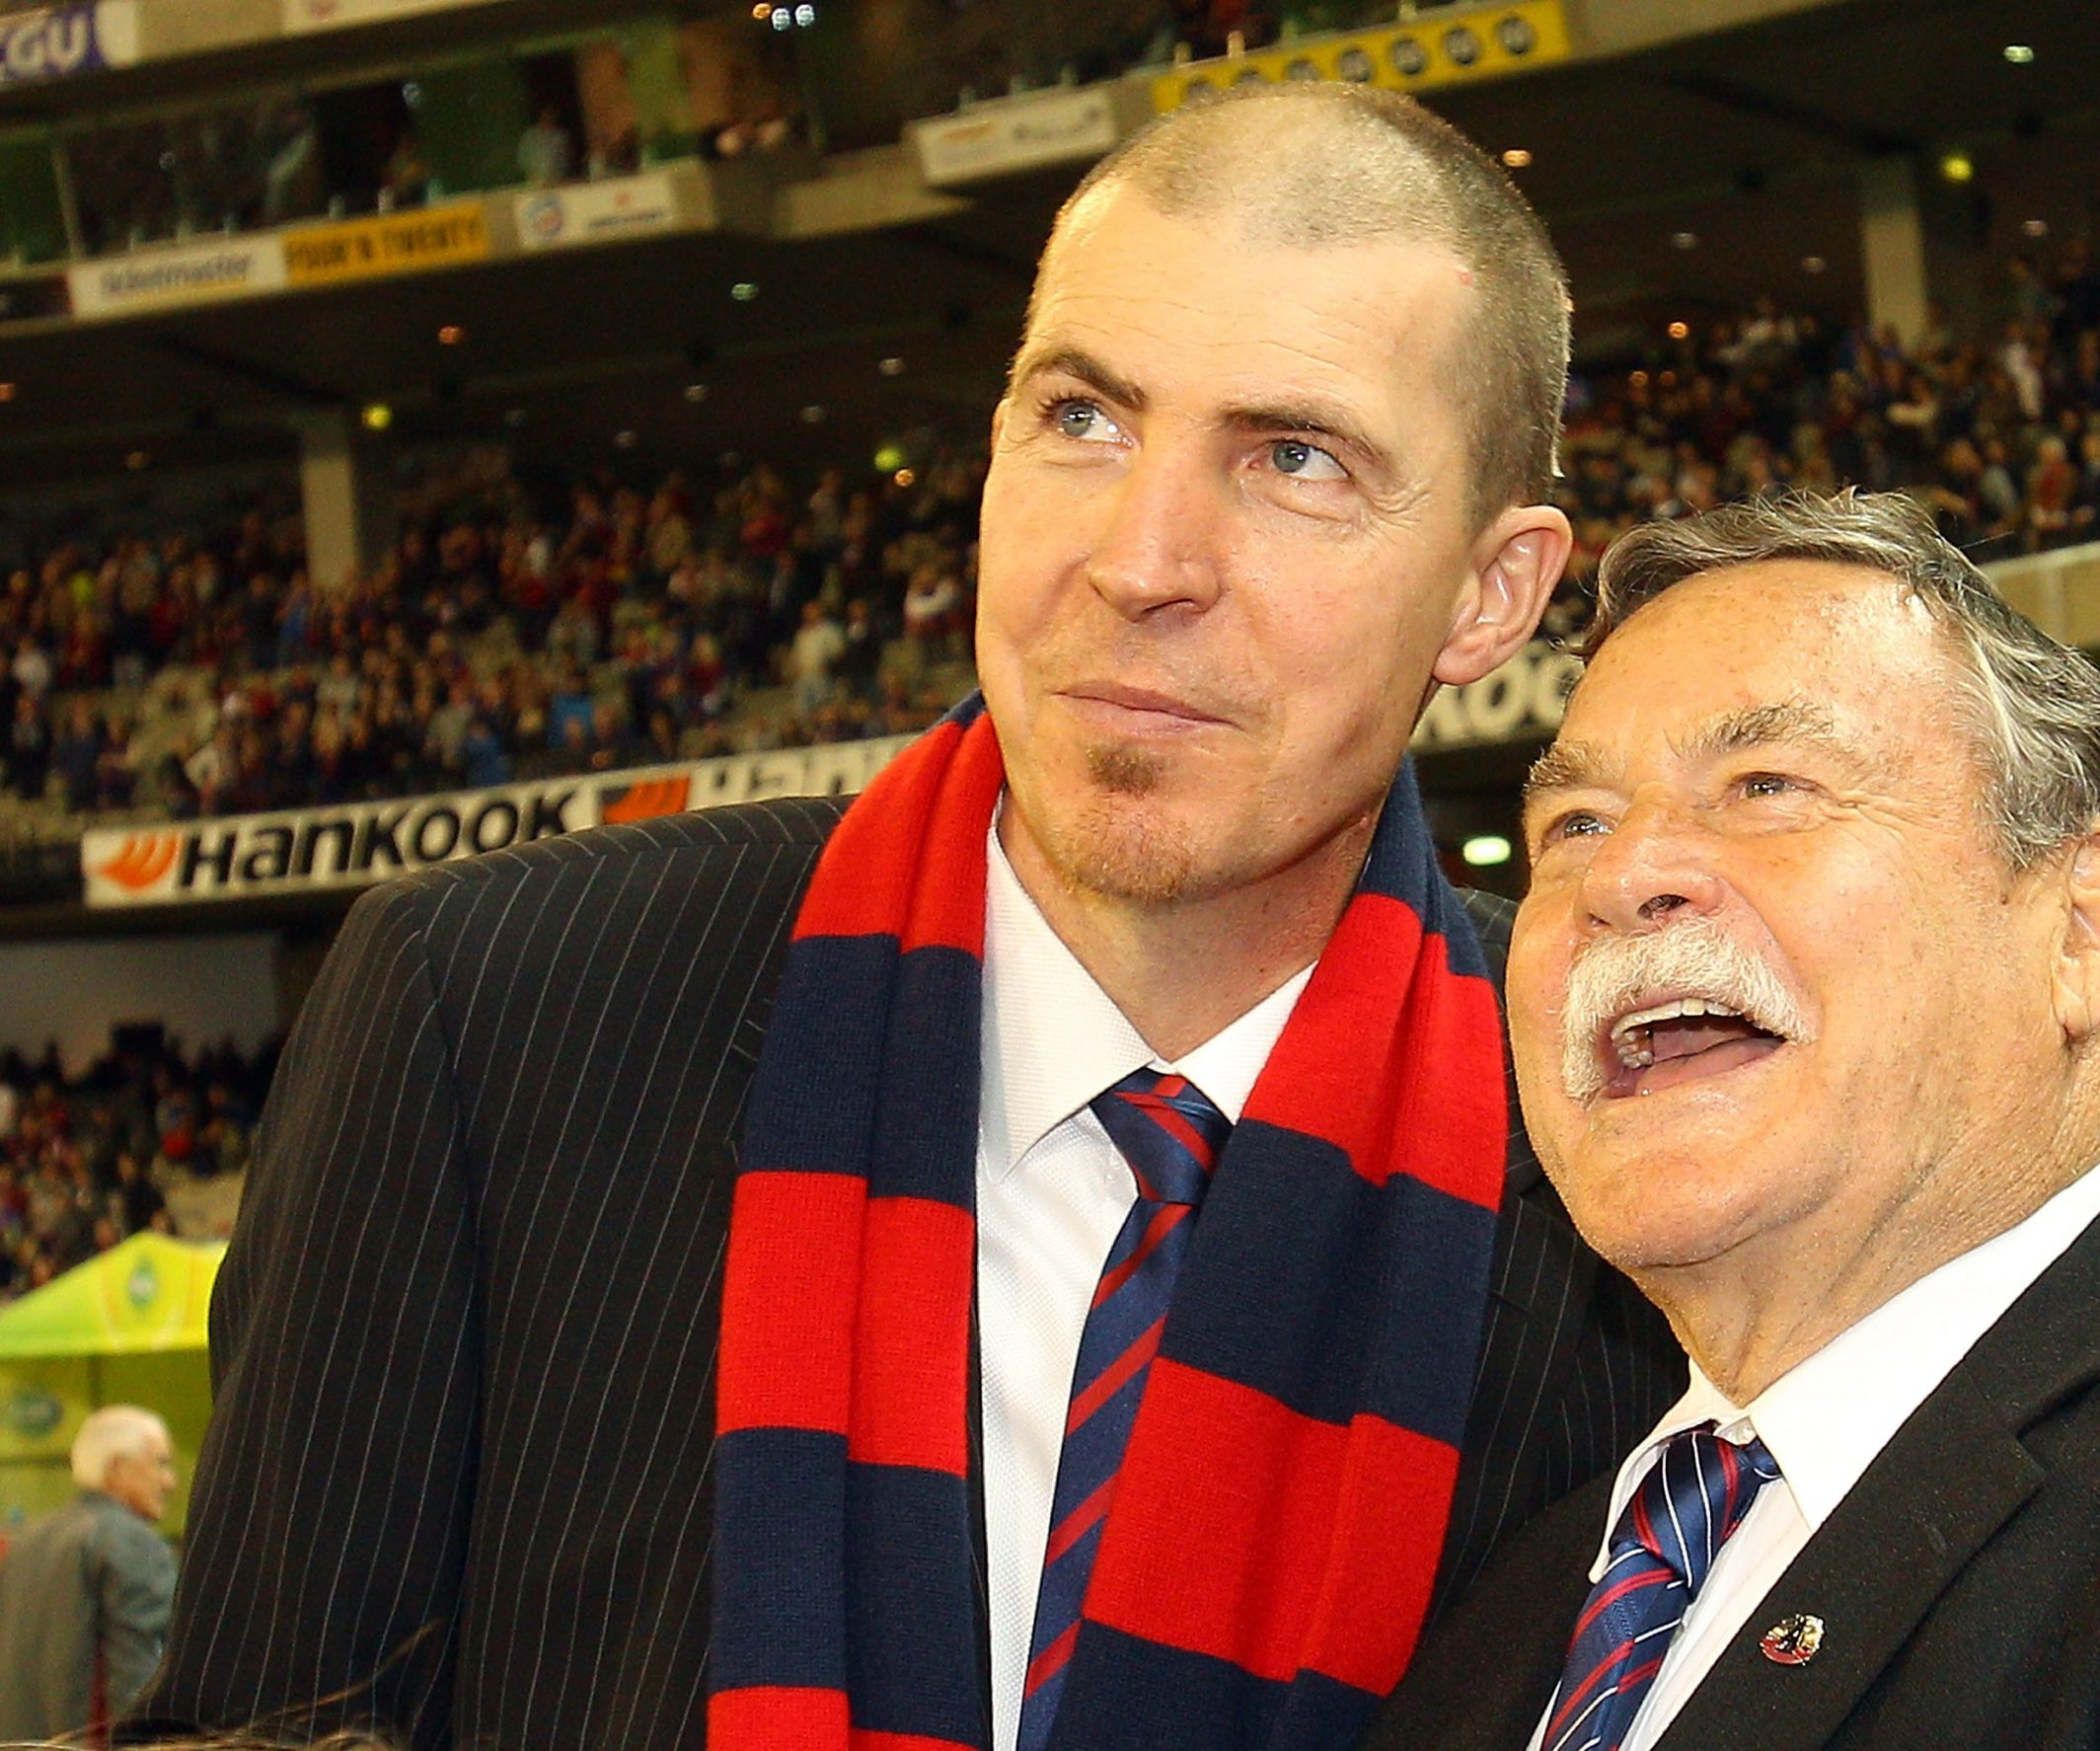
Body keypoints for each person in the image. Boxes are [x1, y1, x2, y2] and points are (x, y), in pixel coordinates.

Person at [134, 85, 1681, 1751]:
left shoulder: (1632, 1141)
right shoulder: (488, 1012)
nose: (1142, 558)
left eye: (1294, 459)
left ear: (1490, 594)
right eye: (1082, 416)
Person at [1365, 491, 2100, 1751]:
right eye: (1574, 823)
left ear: (2083, 928)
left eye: (1765, 784)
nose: (1622, 873)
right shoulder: (1508, 1599)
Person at [0, 1406, 180, 1742]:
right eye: (160, 1463)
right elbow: (140, 1686)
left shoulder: (27, 1545)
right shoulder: (132, 1542)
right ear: (119, 1467)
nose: (169, 1482)